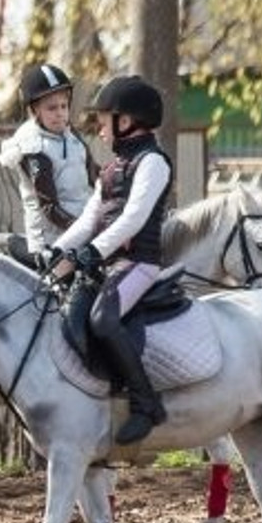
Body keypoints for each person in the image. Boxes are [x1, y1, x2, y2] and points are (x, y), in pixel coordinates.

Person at [49, 74, 173, 445]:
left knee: (103, 319)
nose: (99, 130)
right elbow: (89, 219)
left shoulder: (153, 163)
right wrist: (56, 251)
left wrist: (93, 252)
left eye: (104, 122)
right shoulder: (112, 167)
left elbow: (134, 218)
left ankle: (146, 403)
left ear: (128, 120)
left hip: (139, 264)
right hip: (108, 264)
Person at [0, 62, 95, 270]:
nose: (60, 113)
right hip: (53, 243)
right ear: (34, 111)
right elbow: (50, 208)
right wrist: (86, 228)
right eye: (51, 108)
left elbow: (92, 172)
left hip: (80, 231)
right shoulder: (33, 148)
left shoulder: (70, 134)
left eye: (64, 106)